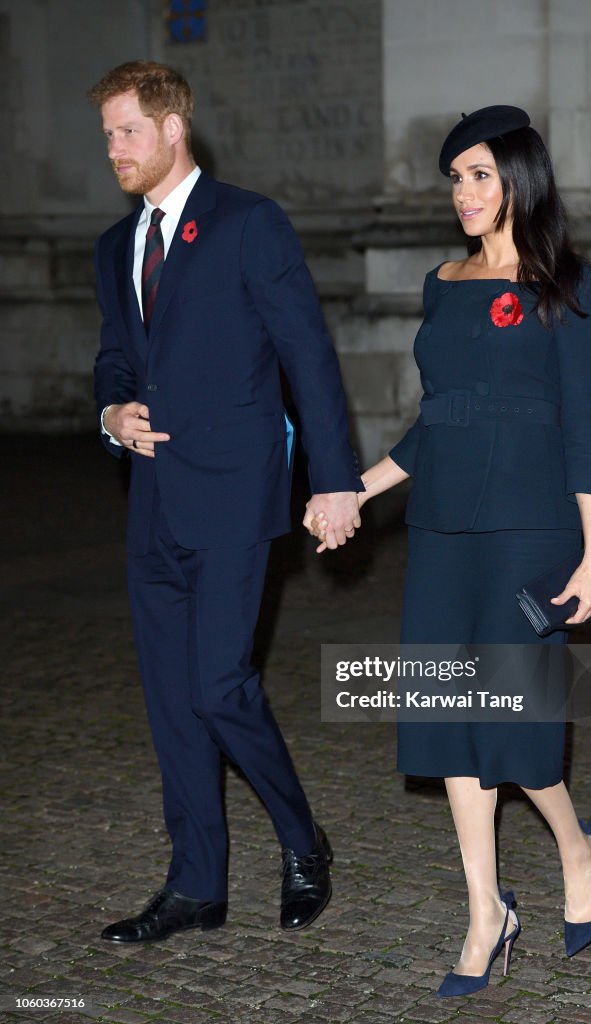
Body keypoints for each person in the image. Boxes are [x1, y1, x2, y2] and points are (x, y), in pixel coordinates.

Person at [307, 105, 591, 995]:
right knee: (449, 718)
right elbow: (434, 424)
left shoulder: (570, 285)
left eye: (480, 175)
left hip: (533, 528)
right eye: (454, 178)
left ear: (519, 179)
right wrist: (351, 491)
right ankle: (486, 912)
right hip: (443, 530)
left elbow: (584, 431)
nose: (464, 194)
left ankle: (575, 848)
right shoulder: (442, 283)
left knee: (514, 724)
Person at [89, 60, 362, 943]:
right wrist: (110, 411)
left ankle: (301, 840)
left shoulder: (249, 223)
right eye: (107, 137)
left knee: (218, 688)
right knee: (172, 702)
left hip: (237, 502)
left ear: (174, 129)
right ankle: (196, 884)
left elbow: (307, 357)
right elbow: (118, 359)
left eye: (127, 131)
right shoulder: (114, 246)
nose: (115, 151)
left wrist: (333, 480)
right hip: (153, 504)